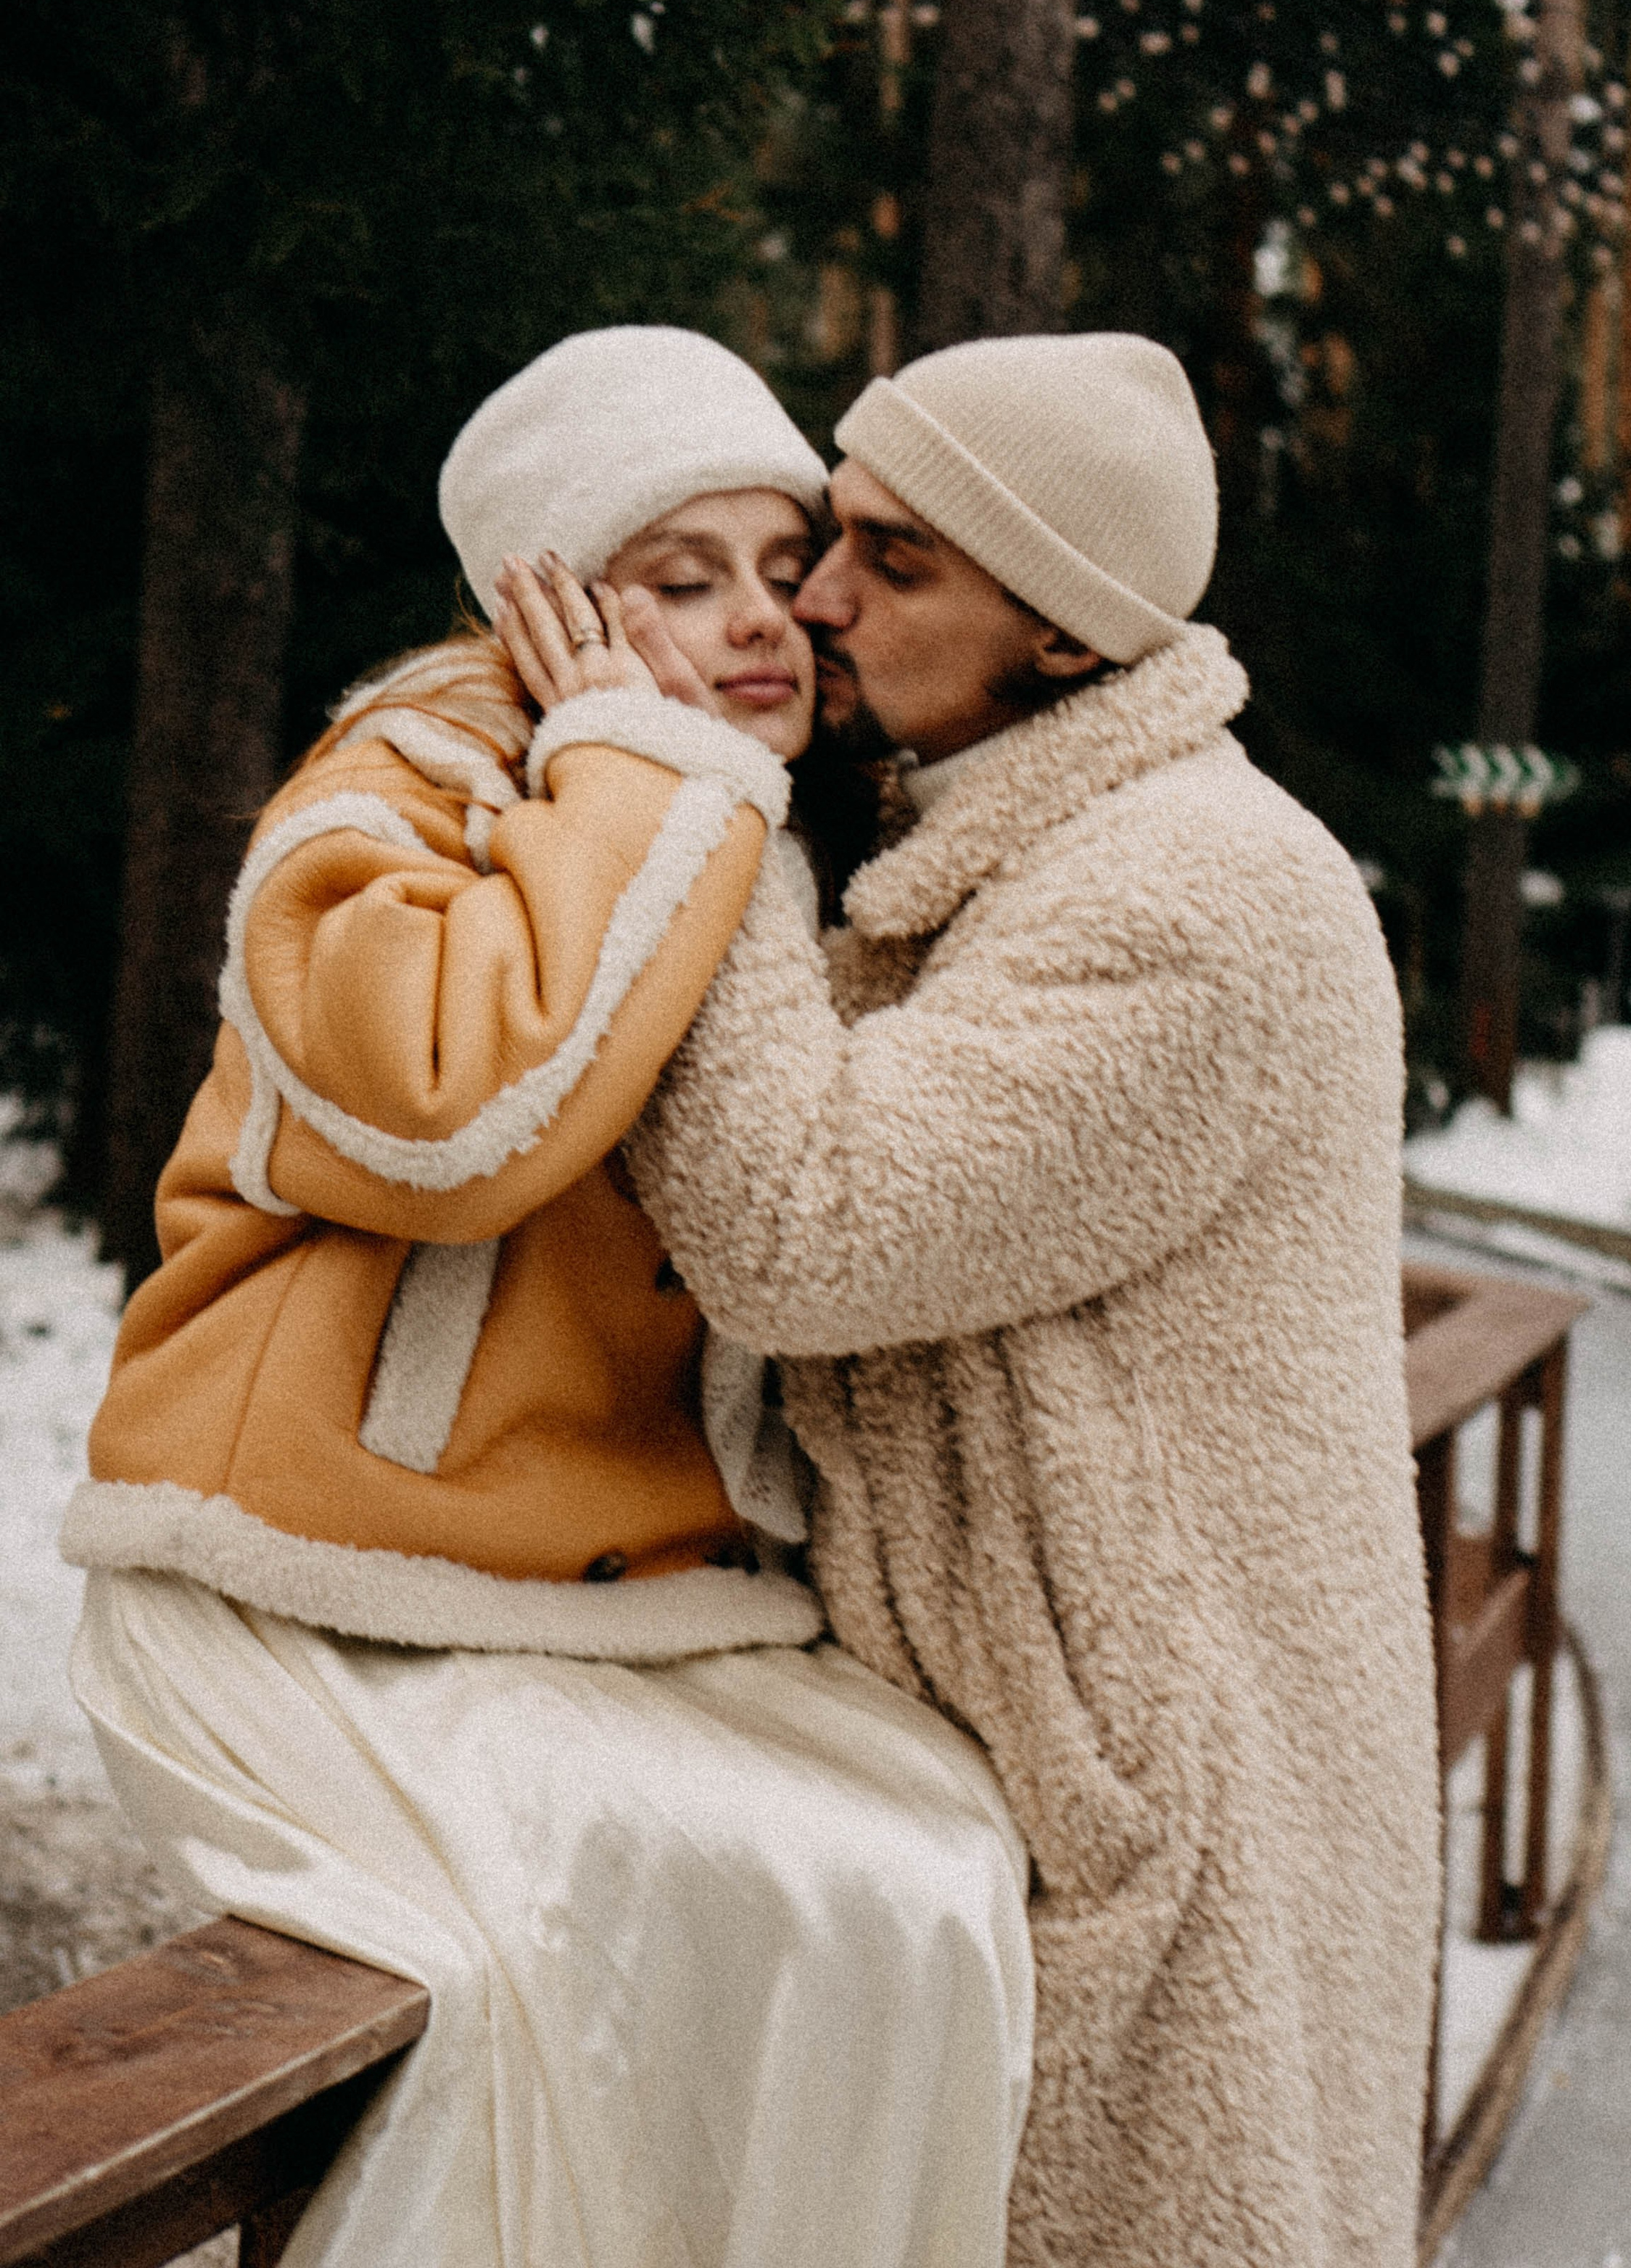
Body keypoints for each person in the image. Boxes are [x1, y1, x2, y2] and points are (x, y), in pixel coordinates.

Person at [62, 325, 1035, 2268]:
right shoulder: (390, 790)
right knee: (585, 1959)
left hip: (611, 1597)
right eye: (681, 581)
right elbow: (448, 1111)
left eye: (782, 569)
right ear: (543, 608)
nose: (762, 623)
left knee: (932, 1864)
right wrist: (632, 767)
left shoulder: (755, 821)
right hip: (313, 1574)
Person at [533, 330, 1442, 2268]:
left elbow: (805, 1224)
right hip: (1040, 1776)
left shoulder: (1200, 896)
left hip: (1172, 1819)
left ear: (1067, 633)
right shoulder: (1028, 850)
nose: (818, 599)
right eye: (831, 536)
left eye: (901, 563)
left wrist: (688, 785)